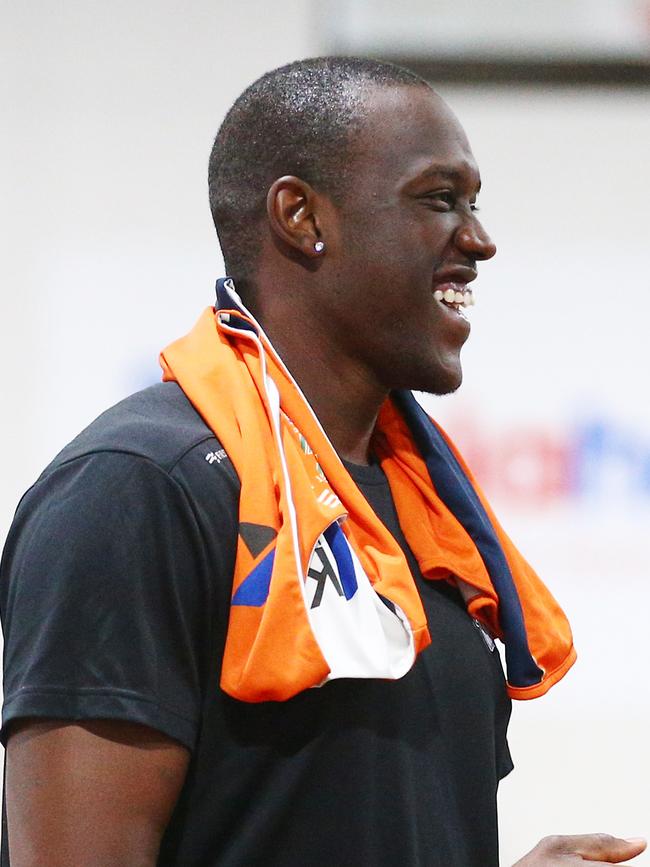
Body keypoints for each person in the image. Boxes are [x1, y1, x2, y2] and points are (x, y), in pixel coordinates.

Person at [0, 57, 645, 867]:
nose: (479, 239)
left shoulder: (428, 516)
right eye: (440, 199)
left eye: (474, 204)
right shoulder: (138, 489)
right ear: (302, 216)